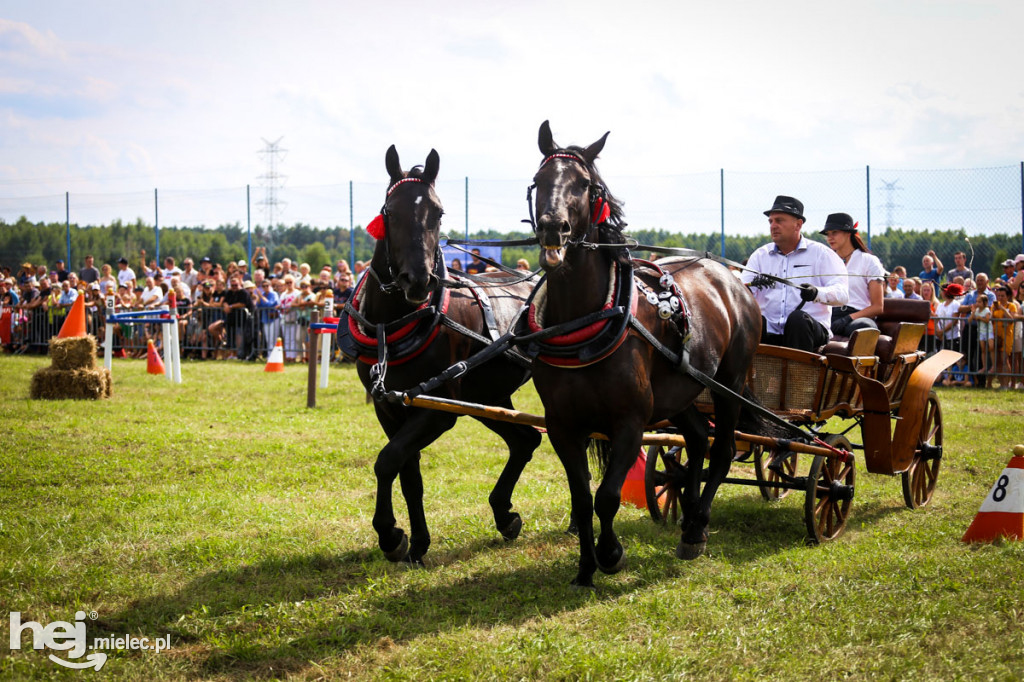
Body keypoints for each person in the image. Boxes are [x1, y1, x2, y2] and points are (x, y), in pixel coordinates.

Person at [741, 196, 848, 352]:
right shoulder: (759, 256)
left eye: (779, 220)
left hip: (809, 329)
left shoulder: (821, 254)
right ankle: (748, 374)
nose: (773, 226)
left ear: (798, 224)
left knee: (798, 319)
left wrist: (817, 293)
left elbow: (843, 294)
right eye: (770, 221)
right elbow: (744, 290)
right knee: (753, 320)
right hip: (770, 331)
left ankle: (796, 376)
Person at [821, 213, 884, 338]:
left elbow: (878, 307)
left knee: (864, 328)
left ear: (848, 233)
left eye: (834, 232)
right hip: (829, 315)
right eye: (828, 234)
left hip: (857, 317)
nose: (830, 238)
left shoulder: (869, 261)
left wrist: (848, 319)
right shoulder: (826, 261)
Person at [959, 272, 996, 387]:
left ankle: (981, 382)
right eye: (978, 280)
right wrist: (972, 307)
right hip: (970, 328)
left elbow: (989, 309)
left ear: (987, 282)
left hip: (983, 328)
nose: (979, 282)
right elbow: (960, 307)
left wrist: (974, 308)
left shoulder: (990, 295)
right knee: (968, 354)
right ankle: (970, 379)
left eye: (982, 280)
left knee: (981, 354)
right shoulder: (970, 295)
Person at [992, 286, 1020, 389]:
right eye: (998, 296)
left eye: (1002, 296)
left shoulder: (1011, 306)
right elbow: (991, 319)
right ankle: (1001, 382)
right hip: (996, 335)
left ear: (1007, 296)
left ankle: (1006, 383)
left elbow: (1011, 319)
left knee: (1005, 359)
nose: (1000, 298)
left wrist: (1003, 309)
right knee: (998, 360)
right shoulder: (994, 306)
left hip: (1007, 335)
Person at [971, 293, 994, 387]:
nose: (977, 303)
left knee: (991, 348)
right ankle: (984, 367)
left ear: (985, 303)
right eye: (977, 301)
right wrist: (972, 312)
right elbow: (970, 320)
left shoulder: (987, 310)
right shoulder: (977, 310)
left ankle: (993, 366)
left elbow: (987, 320)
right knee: (983, 350)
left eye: (979, 302)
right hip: (981, 332)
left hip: (988, 332)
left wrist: (980, 318)